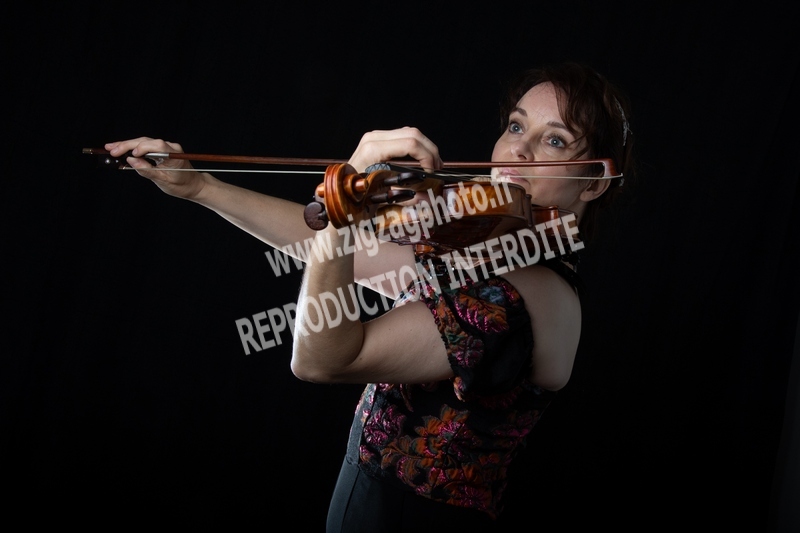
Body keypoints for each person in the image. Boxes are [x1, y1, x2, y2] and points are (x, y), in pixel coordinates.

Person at [104, 61, 634, 532]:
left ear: (594, 182)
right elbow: (347, 255)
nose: (517, 149)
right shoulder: (496, 251)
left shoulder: (514, 300)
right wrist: (200, 187)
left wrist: (341, 204)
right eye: (516, 126)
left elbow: (321, 359)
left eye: (555, 140)